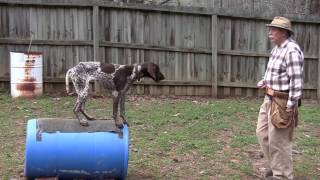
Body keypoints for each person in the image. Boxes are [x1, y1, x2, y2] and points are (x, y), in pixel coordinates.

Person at [256, 16, 304, 180]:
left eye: (273, 29)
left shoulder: (291, 51)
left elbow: (296, 81)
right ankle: (276, 167)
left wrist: (290, 106)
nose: (269, 32)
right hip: (269, 98)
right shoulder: (277, 48)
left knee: (279, 141)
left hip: (283, 102)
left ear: (284, 32)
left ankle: (282, 176)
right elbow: (275, 73)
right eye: (270, 28)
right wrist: (265, 82)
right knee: (262, 134)